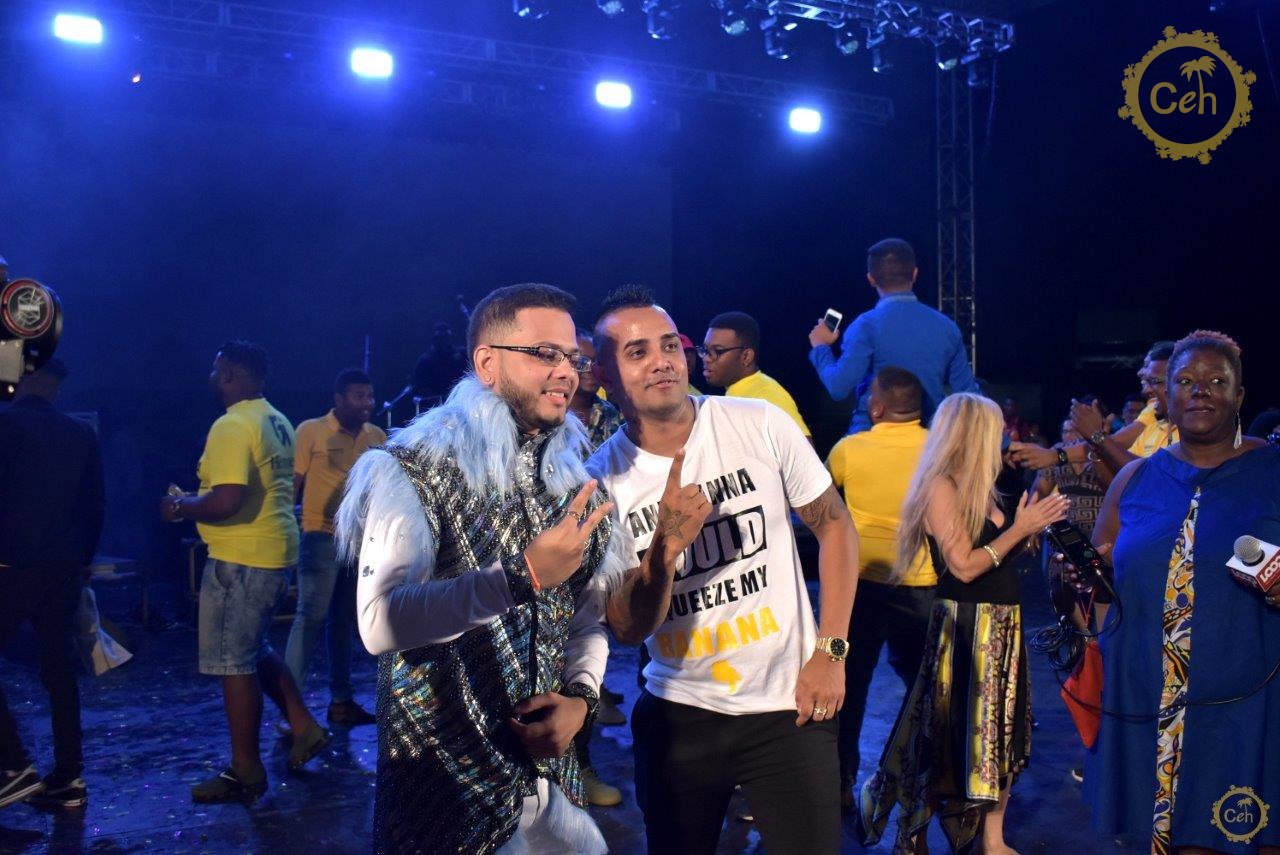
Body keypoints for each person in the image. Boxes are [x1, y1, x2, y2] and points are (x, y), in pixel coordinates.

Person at [334, 283, 627, 854]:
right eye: (545, 354)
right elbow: (378, 622)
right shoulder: (415, 468)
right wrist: (520, 577)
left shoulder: (574, 484)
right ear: (488, 364)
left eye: (573, 358)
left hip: (551, 796)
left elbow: (584, 621)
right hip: (447, 799)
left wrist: (581, 700)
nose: (566, 373)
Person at [588, 285, 860, 855]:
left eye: (670, 345)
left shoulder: (758, 422)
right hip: (679, 717)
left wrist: (831, 652)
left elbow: (835, 526)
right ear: (604, 376)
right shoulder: (598, 482)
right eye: (638, 352)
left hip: (790, 706)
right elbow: (628, 629)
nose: (662, 360)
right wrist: (664, 547)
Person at [1069, 331, 1280, 854]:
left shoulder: (1271, 474)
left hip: (1247, 705)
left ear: (1239, 395)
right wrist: (1080, 579)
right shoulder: (1135, 478)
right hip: (1149, 700)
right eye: (1185, 381)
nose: (1200, 390)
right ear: (1166, 396)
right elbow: (1105, 584)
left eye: (1216, 381)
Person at [857, 393, 1070, 854]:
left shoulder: (985, 487)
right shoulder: (941, 486)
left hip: (1004, 625)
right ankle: (914, 834)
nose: (1004, 436)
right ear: (975, 433)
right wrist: (1019, 529)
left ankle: (993, 840)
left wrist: (1030, 528)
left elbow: (997, 556)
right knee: (948, 740)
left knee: (1002, 736)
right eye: (996, 428)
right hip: (966, 630)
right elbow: (965, 567)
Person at [159, 341, 327, 803]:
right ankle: (304, 727)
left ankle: (245, 770)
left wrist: (179, 506)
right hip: (273, 551)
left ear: (232, 374)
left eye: (217, 370)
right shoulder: (276, 419)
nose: (212, 378)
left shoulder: (232, 425)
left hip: (242, 559)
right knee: (256, 649)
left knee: (234, 664)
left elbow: (227, 500)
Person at [825, 367, 937, 807]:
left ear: (876, 407)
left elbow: (817, 505)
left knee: (847, 685)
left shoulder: (849, 449)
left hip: (859, 590)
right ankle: (920, 781)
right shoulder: (938, 448)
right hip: (923, 588)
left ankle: (840, 784)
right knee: (924, 690)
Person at [0, 360, 104, 810]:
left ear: (23, 377)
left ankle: (14, 765)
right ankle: (68, 779)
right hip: (63, 568)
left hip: (10, 564)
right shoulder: (80, 434)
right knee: (59, 670)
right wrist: (82, 562)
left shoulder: (6, 426)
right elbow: (95, 506)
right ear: (55, 387)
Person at [283, 368, 386, 727]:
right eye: (359, 396)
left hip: (357, 541)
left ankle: (341, 702)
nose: (367, 403)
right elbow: (292, 484)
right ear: (339, 400)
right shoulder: (310, 431)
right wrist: (286, 530)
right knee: (309, 618)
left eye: (370, 396)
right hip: (320, 537)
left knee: (342, 620)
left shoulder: (376, 436)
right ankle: (289, 708)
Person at [808, 238, 979, 434]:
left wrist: (821, 347)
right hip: (929, 443)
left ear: (871, 279)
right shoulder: (947, 327)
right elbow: (970, 398)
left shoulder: (866, 326)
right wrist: (1002, 443)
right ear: (915, 274)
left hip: (872, 439)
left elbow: (839, 387)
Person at [566, 329, 626, 807]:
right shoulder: (548, 416)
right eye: (577, 362)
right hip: (554, 552)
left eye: (591, 362)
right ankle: (567, 769)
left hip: (604, 550)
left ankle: (579, 766)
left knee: (588, 653)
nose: (585, 371)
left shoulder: (613, 417)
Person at [701, 310, 813, 439]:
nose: (706, 358)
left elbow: (805, 447)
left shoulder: (767, 395)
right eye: (706, 350)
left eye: (717, 351)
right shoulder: (741, 392)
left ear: (746, 356)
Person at [411, 321, 468, 404]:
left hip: (462, 401)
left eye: (446, 337)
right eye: (441, 338)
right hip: (438, 405)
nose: (444, 341)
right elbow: (422, 387)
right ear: (434, 339)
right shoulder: (425, 361)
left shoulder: (462, 354)